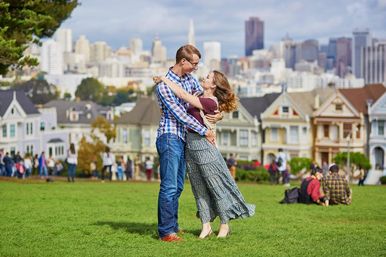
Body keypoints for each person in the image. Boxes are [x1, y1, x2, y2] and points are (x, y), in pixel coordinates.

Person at [154, 69, 255, 239]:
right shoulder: (199, 92)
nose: (204, 77)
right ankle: (206, 226)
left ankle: (224, 224)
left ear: (213, 85)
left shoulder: (209, 101)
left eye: (208, 77)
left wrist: (163, 78)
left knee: (215, 186)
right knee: (199, 189)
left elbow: (182, 94)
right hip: (191, 148)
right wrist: (220, 115)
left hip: (206, 148)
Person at [153, 45, 219, 242]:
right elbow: (181, 115)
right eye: (194, 64)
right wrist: (204, 130)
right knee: (170, 186)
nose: (196, 68)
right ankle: (166, 232)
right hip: (169, 136)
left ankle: (172, 225)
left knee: (178, 186)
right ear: (183, 61)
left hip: (183, 138)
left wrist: (217, 113)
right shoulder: (164, 85)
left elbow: (202, 101)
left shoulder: (189, 80)